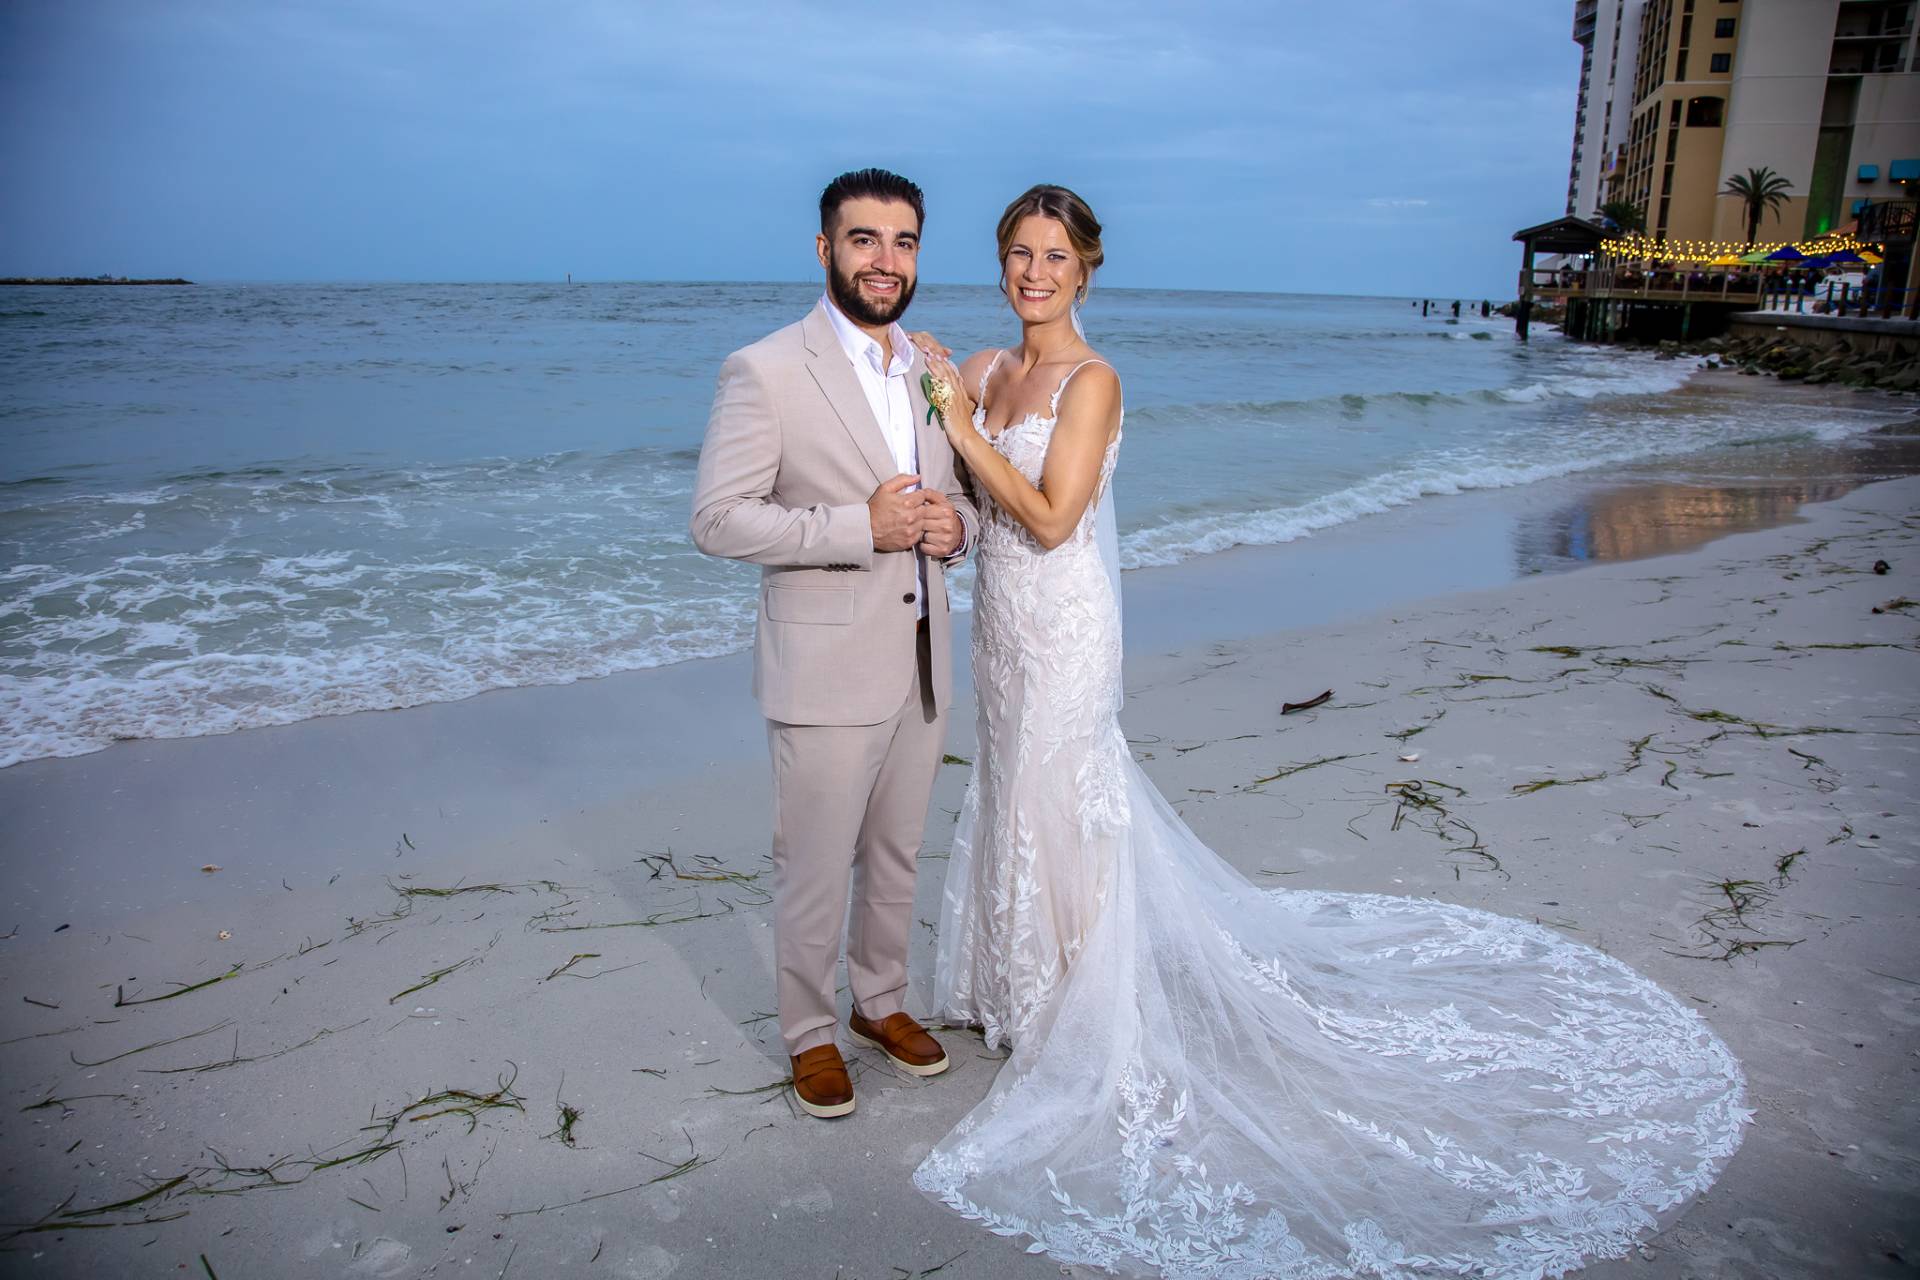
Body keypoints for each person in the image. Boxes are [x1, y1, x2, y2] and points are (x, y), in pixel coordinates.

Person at [906, 184, 1749, 1278]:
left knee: (1064, 791)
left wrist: (963, 428)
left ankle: (1074, 999)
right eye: (1018, 252)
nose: (1033, 272)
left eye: (1054, 255)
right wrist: (939, 450)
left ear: (1089, 267)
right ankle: (1005, 984)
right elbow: (980, 501)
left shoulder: (1092, 380)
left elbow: (1058, 514)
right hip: (1003, 625)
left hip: (1065, 626)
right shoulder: (984, 366)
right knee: (1011, 780)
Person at [689, 168, 979, 1119]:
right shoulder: (764, 369)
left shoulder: (931, 369)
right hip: (821, 665)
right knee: (813, 860)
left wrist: (954, 529)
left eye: (903, 242)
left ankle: (879, 1002)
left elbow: (961, 498)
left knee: (896, 851)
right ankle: (809, 1031)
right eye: (865, 240)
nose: (885, 261)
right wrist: (863, 529)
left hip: (922, 655)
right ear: (826, 251)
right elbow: (721, 521)